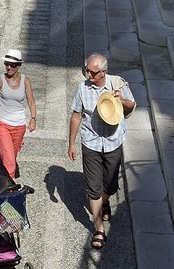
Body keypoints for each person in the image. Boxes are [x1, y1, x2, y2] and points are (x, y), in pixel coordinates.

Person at [67, 52, 135, 250]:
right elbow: (76, 116)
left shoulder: (118, 84)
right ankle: (99, 228)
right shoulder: (83, 88)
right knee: (93, 186)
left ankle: (105, 201)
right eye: (86, 70)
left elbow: (131, 106)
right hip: (91, 144)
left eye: (93, 72)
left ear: (104, 72)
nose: (88, 74)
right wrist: (71, 143)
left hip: (113, 143)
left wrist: (120, 100)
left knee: (110, 185)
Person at [0, 49, 37, 179]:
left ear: (19, 66)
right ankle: (8, 188)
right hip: (3, 123)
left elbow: (31, 102)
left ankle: (4, 177)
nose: (9, 67)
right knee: (9, 161)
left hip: (19, 125)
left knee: (11, 156)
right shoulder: (0, 80)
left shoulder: (25, 81)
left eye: (13, 65)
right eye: (7, 63)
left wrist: (33, 119)